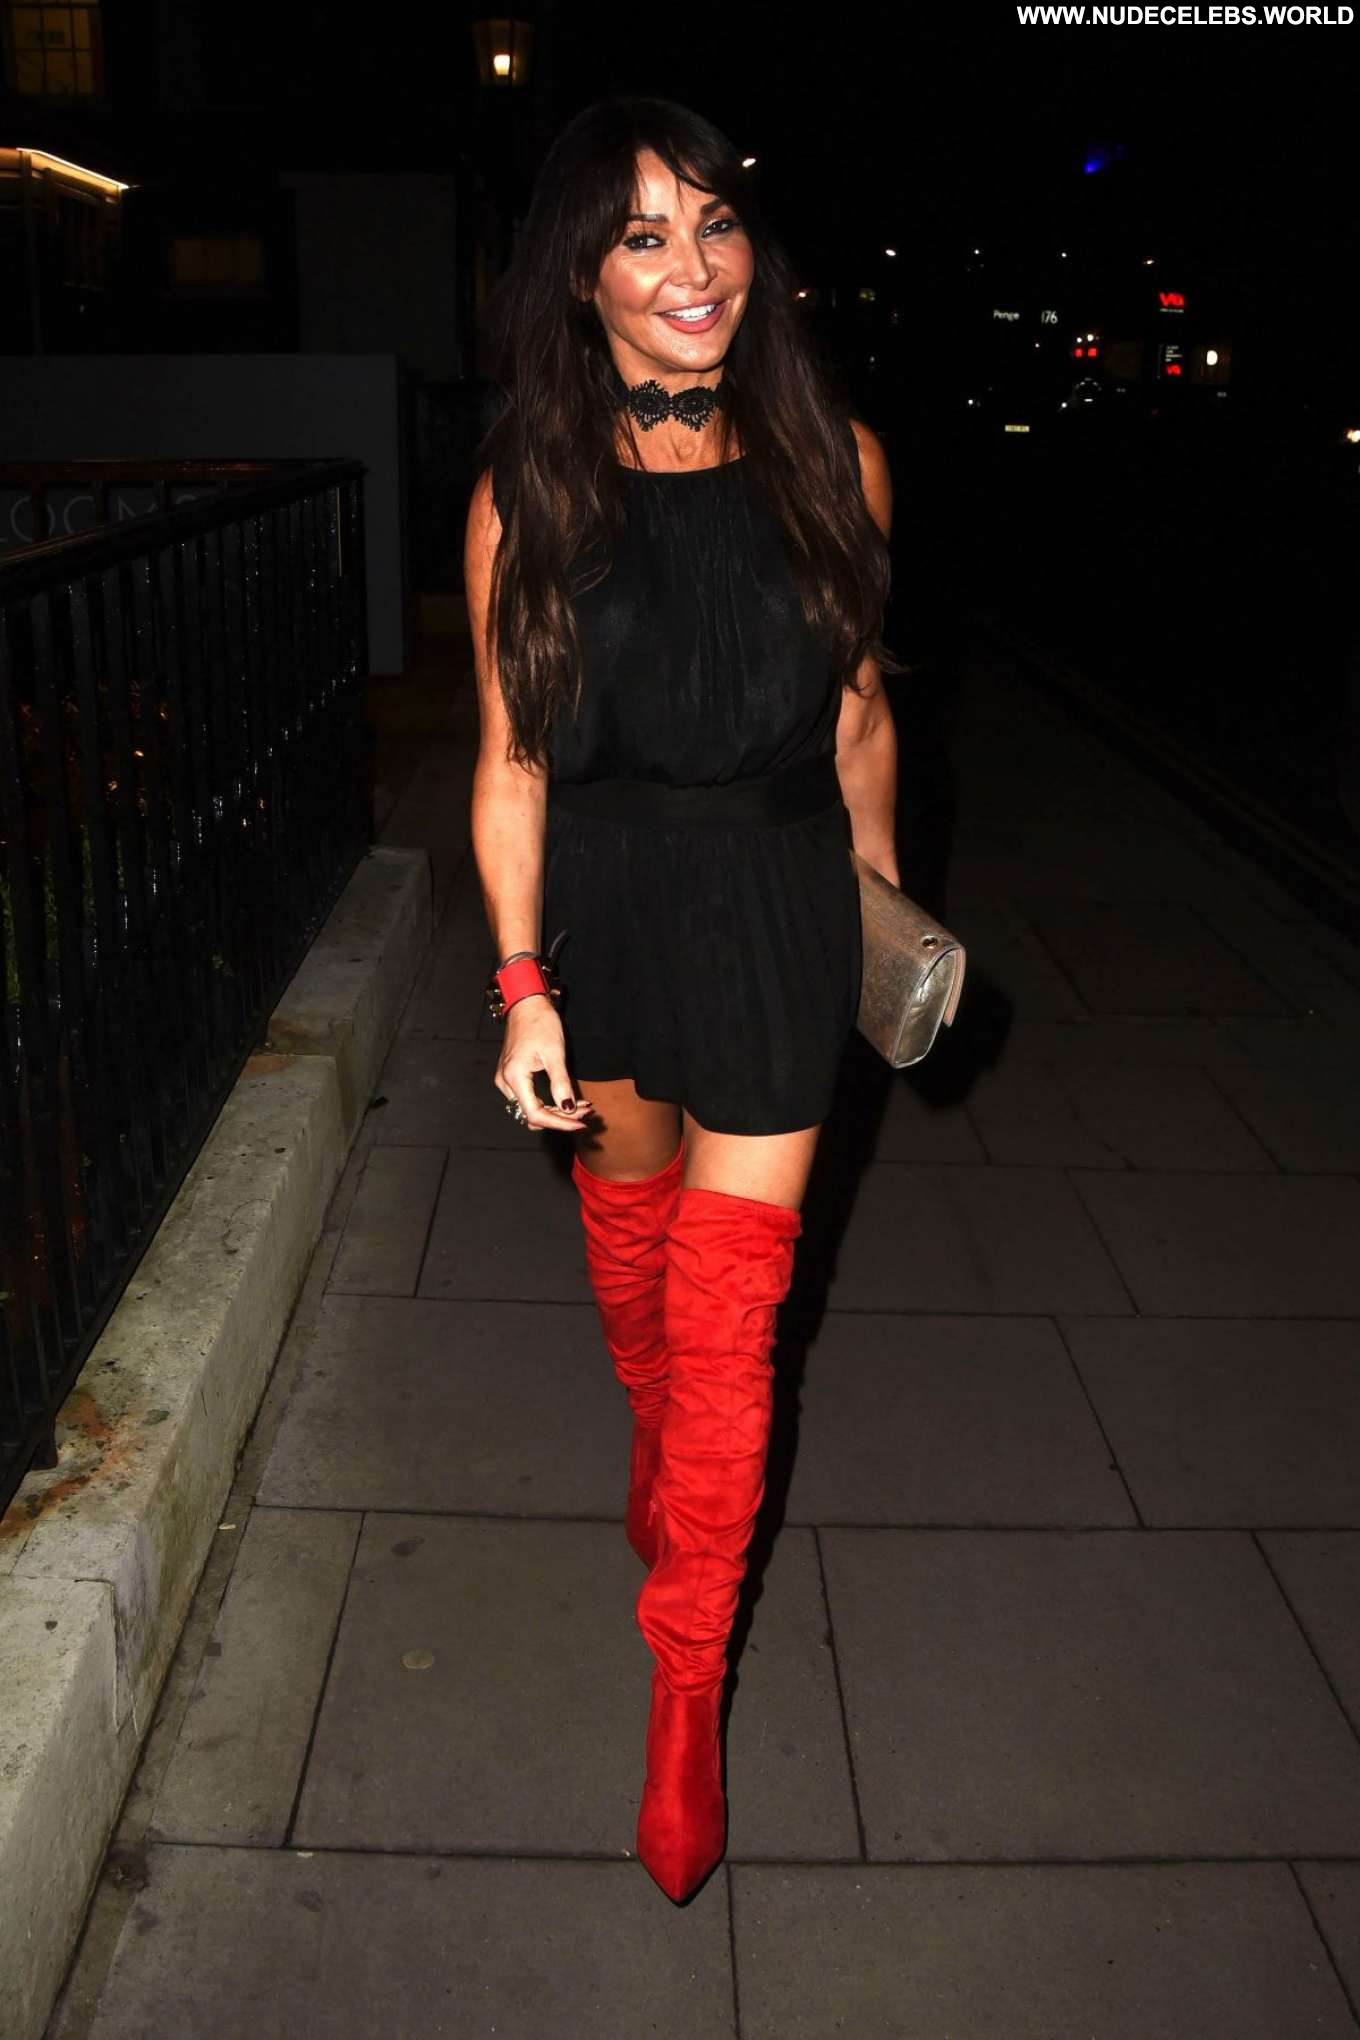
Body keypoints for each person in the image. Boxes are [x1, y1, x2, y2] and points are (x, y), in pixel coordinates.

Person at [464, 96, 903, 1905]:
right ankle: (654, 1452)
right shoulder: (530, 495)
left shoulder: (839, 463)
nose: (692, 266)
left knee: (733, 1325)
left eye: (715, 223)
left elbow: (861, 712)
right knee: (635, 1260)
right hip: (609, 916)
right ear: (581, 276)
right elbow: (509, 767)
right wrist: (521, 987)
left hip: (784, 906)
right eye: (644, 235)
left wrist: (883, 912)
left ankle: (686, 1690)